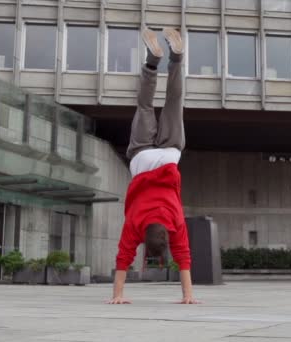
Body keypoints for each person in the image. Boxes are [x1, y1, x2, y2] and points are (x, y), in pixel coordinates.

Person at [108, 27, 200, 305]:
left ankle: (177, 59)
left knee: (175, 104)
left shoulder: (174, 221)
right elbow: (122, 258)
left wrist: (189, 296)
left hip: (170, 156)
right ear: (145, 241)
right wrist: (117, 295)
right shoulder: (135, 224)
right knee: (145, 105)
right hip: (141, 159)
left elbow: (184, 257)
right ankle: (152, 61)